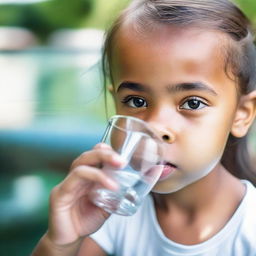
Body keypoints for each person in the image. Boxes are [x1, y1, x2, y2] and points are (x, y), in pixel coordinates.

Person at [32, 0, 256, 255]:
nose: (155, 127)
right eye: (136, 101)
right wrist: (60, 243)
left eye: (192, 103)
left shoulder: (250, 230)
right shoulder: (108, 216)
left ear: (241, 114)